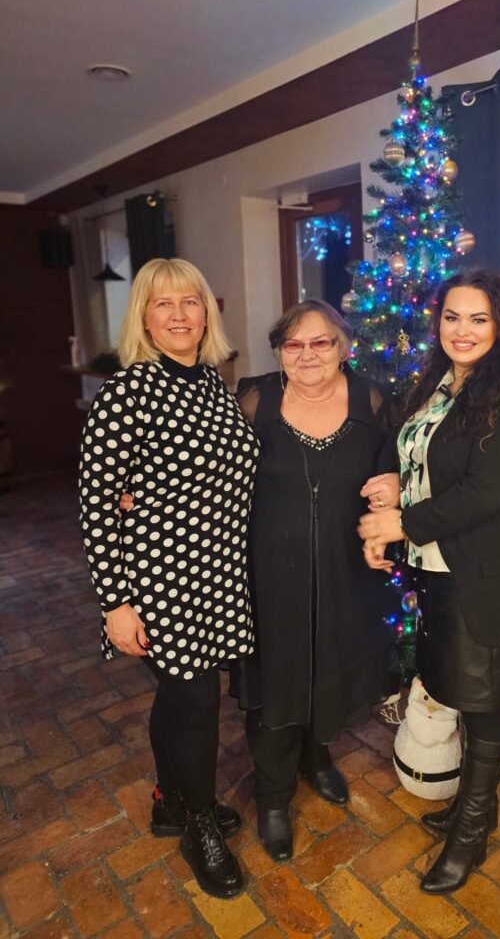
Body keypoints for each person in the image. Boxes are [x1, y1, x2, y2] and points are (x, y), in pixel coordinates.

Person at [358, 268, 500, 895]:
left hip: (485, 574)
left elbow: (484, 492)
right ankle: (479, 808)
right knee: (461, 689)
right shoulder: (441, 383)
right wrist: (395, 480)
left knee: (482, 701)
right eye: (451, 317)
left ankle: (471, 832)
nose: (462, 330)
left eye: (478, 319)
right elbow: (422, 456)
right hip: (438, 569)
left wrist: (400, 522)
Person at [79, 258, 259, 900]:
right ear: (145, 319)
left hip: (217, 572)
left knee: (180, 700)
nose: (179, 314)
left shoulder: (211, 382)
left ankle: (170, 801)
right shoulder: (128, 392)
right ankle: (199, 826)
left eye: (190, 301)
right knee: (198, 702)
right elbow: (97, 503)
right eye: (163, 304)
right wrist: (115, 604)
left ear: (206, 313)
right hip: (161, 581)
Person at [231, 299, 397, 863]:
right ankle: (273, 797)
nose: (307, 354)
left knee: (330, 665)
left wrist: (395, 487)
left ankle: (316, 756)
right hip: (268, 574)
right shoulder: (254, 401)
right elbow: (207, 464)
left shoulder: (373, 400)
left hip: (347, 571)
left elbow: (402, 465)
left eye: (320, 342)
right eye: (293, 344)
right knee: (276, 678)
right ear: (279, 352)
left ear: (343, 347)